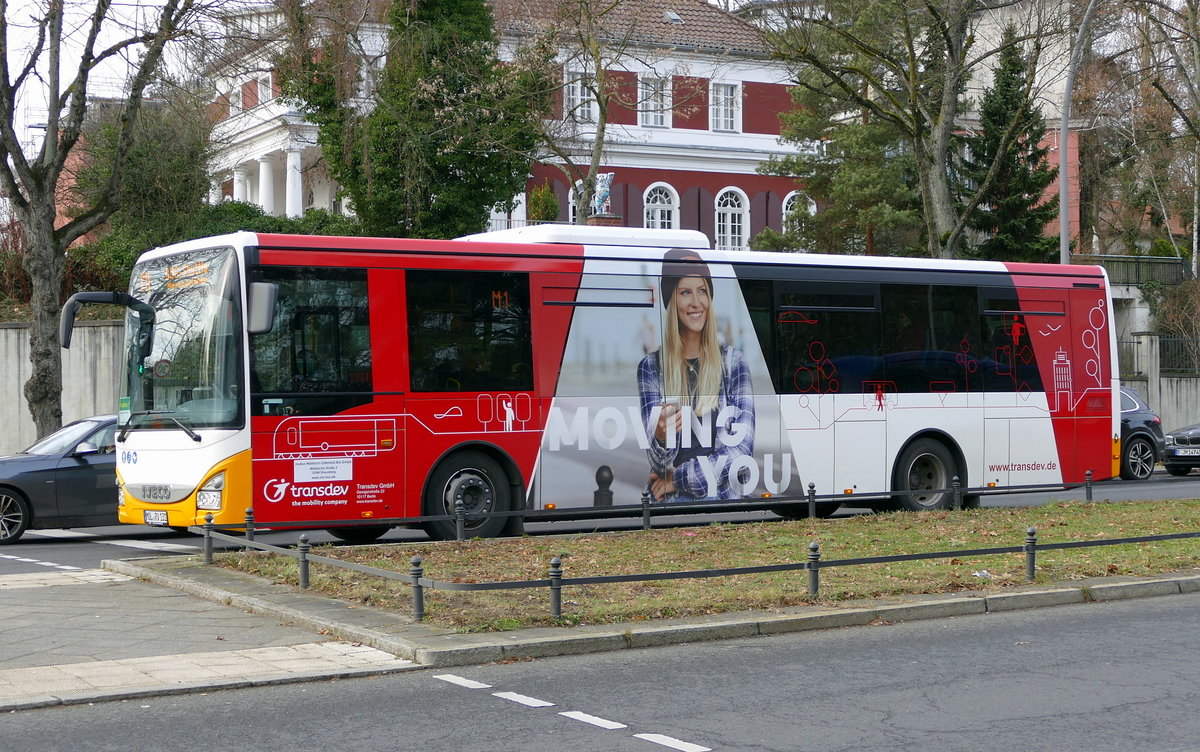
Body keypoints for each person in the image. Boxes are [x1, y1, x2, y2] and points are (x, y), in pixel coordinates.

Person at [637, 248, 755, 502]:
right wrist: (658, 436)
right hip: (670, 499)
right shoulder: (650, 367)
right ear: (671, 300)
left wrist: (677, 478)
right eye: (685, 292)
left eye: (702, 290)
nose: (696, 302)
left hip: (723, 496)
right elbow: (657, 462)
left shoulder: (733, 363)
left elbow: (741, 452)